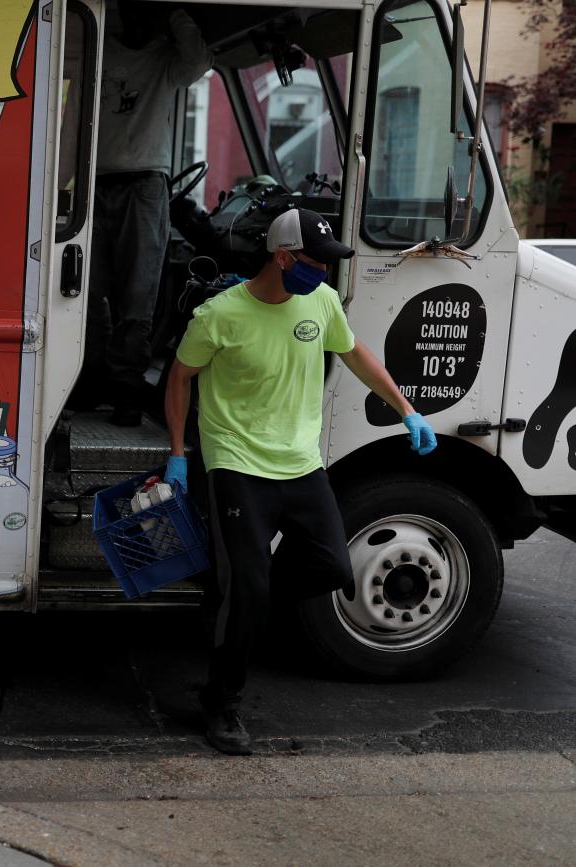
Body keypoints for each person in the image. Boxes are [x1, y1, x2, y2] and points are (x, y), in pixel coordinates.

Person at [161, 208, 438, 756]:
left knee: (331, 567)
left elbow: (354, 352)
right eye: (315, 262)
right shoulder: (219, 315)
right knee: (248, 588)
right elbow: (180, 377)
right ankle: (223, 700)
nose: (324, 273)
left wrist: (406, 409)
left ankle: (247, 599)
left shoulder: (321, 301)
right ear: (283, 257)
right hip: (237, 464)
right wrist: (177, 452)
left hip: (301, 463)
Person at [76, 1, 213, 427]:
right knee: (87, 290)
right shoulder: (101, 51)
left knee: (138, 294)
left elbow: (200, 60)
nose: (139, 22)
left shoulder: (166, 59)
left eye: (146, 15)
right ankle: (90, 376)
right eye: (133, 12)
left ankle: (126, 387)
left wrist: (174, 14)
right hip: (96, 179)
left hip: (146, 182)